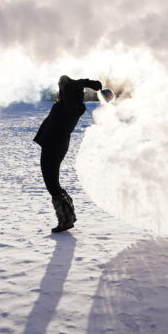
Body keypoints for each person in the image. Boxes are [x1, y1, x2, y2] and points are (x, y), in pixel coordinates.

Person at [33, 75, 102, 233]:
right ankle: (68, 216)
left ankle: (66, 220)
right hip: (55, 145)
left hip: (54, 146)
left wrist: (87, 83)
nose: (61, 89)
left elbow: (70, 86)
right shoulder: (70, 105)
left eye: (63, 87)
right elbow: (71, 88)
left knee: (52, 184)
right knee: (53, 183)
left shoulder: (70, 106)